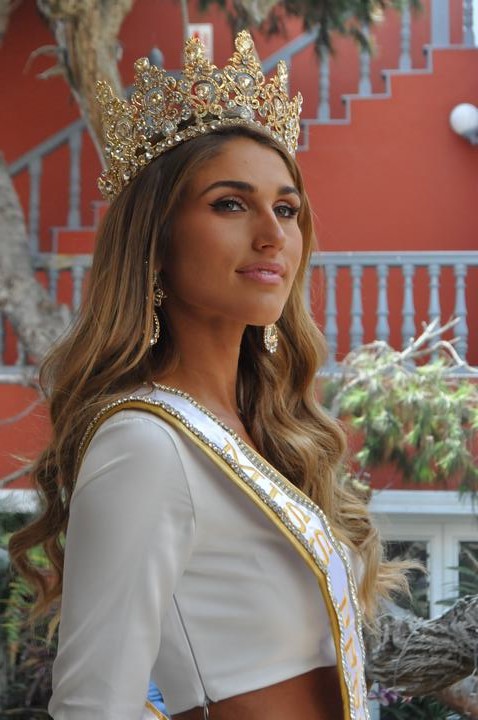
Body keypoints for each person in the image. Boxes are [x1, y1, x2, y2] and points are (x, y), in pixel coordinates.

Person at [10, 30, 407, 720]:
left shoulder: (262, 431)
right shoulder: (146, 445)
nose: (273, 234)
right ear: (156, 241)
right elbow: (93, 706)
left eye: (287, 209)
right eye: (230, 203)